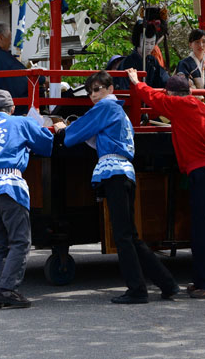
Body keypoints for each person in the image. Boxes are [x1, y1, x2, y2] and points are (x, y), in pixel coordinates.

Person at [60, 71, 178, 303]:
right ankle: (167, 284)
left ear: (110, 88)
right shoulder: (118, 111)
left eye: (98, 89)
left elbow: (73, 135)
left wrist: (61, 129)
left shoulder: (105, 108)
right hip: (124, 172)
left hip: (114, 172)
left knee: (124, 236)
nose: (94, 95)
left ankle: (138, 289)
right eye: (91, 91)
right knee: (129, 235)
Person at [127, 69, 205, 299]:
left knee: (203, 231)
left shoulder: (181, 105)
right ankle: (204, 280)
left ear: (173, 94)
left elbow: (155, 99)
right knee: (200, 230)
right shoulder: (195, 104)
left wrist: (136, 83)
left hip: (202, 171)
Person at [0, 89, 59, 309]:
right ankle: (8, 290)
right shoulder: (21, 123)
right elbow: (46, 145)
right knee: (20, 242)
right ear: (12, 109)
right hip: (10, 187)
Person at [113, 21, 169, 91]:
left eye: (152, 43)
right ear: (137, 41)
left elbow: (163, 79)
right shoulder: (127, 63)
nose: (149, 47)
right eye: (146, 43)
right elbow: (123, 87)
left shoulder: (152, 61)